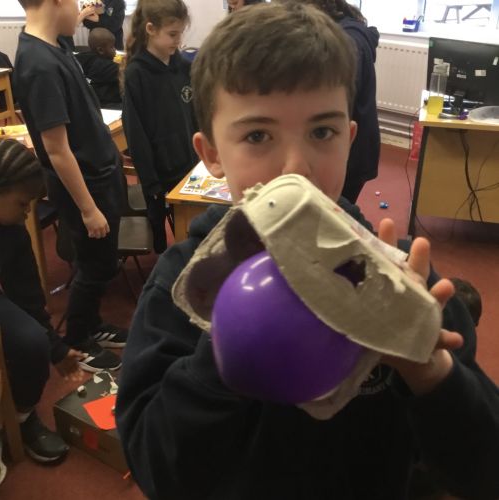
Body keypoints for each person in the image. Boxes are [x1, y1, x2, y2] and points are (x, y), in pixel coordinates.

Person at [116, 4, 499, 500]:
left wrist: (427, 372)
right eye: (258, 136)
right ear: (211, 154)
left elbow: (485, 471)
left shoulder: (403, 280)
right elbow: (155, 466)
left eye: (322, 132)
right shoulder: (185, 282)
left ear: (349, 139)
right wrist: (225, 350)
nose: (296, 168)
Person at [14, 0, 128, 373]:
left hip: (99, 175)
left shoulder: (54, 44)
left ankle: (92, 324)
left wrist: (77, 17)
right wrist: (88, 208)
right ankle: (78, 337)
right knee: (95, 267)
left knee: (102, 261)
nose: (80, 6)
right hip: (86, 187)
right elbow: (57, 149)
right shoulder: (39, 64)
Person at [0, 139, 84, 471]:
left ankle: (21, 418)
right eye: (22, 203)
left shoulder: (13, 232)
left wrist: (56, 349)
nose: (26, 213)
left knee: (31, 342)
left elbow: (29, 298)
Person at [122, 0, 198, 254]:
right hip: (159, 172)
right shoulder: (136, 74)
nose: (178, 40)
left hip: (190, 164)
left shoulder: (184, 67)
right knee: (163, 240)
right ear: (151, 29)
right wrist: (151, 182)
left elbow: (195, 116)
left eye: (180, 33)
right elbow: (136, 134)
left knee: (194, 229)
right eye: (172, 34)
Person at [290, 0, 380, 204]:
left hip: (349, 155)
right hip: (344, 148)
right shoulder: (343, 33)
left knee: (331, 210)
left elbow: (329, 103)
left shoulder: (346, 41)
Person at [76, 28, 122, 109]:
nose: (115, 49)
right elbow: (126, 70)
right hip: (106, 105)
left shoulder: (82, 58)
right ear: (101, 50)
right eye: (112, 47)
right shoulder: (104, 66)